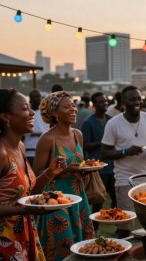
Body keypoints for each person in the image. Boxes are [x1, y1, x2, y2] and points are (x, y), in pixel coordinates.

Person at [0, 89, 67, 261]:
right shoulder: (1, 153)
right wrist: (27, 209)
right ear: (5, 116)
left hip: (26, 233)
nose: (32, 113)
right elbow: (24, 204)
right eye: (24, 108)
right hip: (5, 241)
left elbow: (27, 194)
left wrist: (49, 173)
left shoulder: (20, 147)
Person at [35, 91, 95, 260]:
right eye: (67, 107)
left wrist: (85, 170)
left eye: (73, 106)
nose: (73, 109)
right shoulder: (47, 139)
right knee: (63, 246)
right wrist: (67, 170)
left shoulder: (78, 135)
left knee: (84, 246)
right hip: (56, 199)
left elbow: (80, 164)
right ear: (54, 113)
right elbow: (36, 175)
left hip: (79, 196)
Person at [101, 86, 146, 238]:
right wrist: (125, 151)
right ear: (123, 102)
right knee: (126, 225)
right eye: (132, 99)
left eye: (139, 98)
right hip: (124, 179)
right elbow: (104, 153)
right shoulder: (113, 123)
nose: (137, 102)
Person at [81, 92, 116, 230]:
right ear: (94, 105)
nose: (105, 104)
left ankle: (117, 224)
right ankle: (93, 229)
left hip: (113, 166)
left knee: (116, 198)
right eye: (101, 102)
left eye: (106, 101)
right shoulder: (88, 123)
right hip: (98, 167)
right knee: (98, 201)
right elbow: (85, 145)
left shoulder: (110, 120)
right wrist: (103, 143)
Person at [24, 89, 49, 166]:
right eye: (35, 97)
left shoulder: (45, 113)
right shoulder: (26, 113)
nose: (38, 99)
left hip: (44, 150)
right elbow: (24, 132)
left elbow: (48, 131)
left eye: (39, 97)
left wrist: (36, 133)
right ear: (30, 100)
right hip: (29, 151)